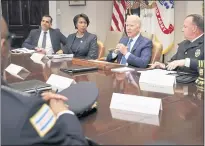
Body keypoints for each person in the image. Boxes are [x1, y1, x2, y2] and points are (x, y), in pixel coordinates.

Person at [1, 17, 88, 145]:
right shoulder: (29, 111)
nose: (45, 23)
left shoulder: (56, 33)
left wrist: (33, 99)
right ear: (3, 46)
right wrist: (64, 113)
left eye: (48, 21)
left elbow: (68, 46)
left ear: (51, 24)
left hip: (53, 65)